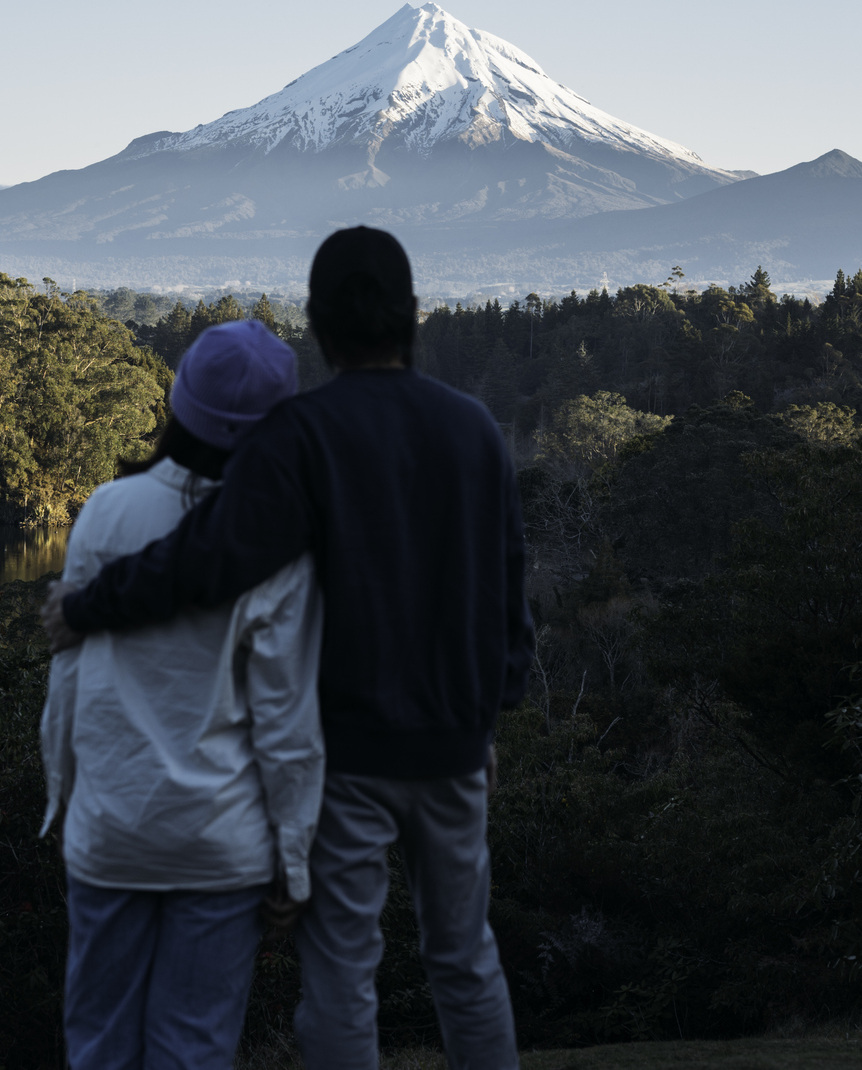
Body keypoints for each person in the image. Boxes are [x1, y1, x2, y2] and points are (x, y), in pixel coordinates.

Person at [46, 226, 533, 1070]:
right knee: (466, 958)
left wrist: (88, 604)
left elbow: (213, 556)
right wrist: (491, 716)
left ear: (318, 325)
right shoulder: (474, 428)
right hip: (453, 746)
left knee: (343, 970)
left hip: (347, 750)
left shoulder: (302, 434)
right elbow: (506, 593)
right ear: (412, 315)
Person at [40, 318, 324, 1070]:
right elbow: (287, 722)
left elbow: (70, 676)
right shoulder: (280, 549)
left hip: (111, 830)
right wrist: (294, 861)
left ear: (176, 404)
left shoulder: (107, 508)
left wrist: (64, 796)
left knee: (97, 1042)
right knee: (193, 1048)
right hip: (221, 843)